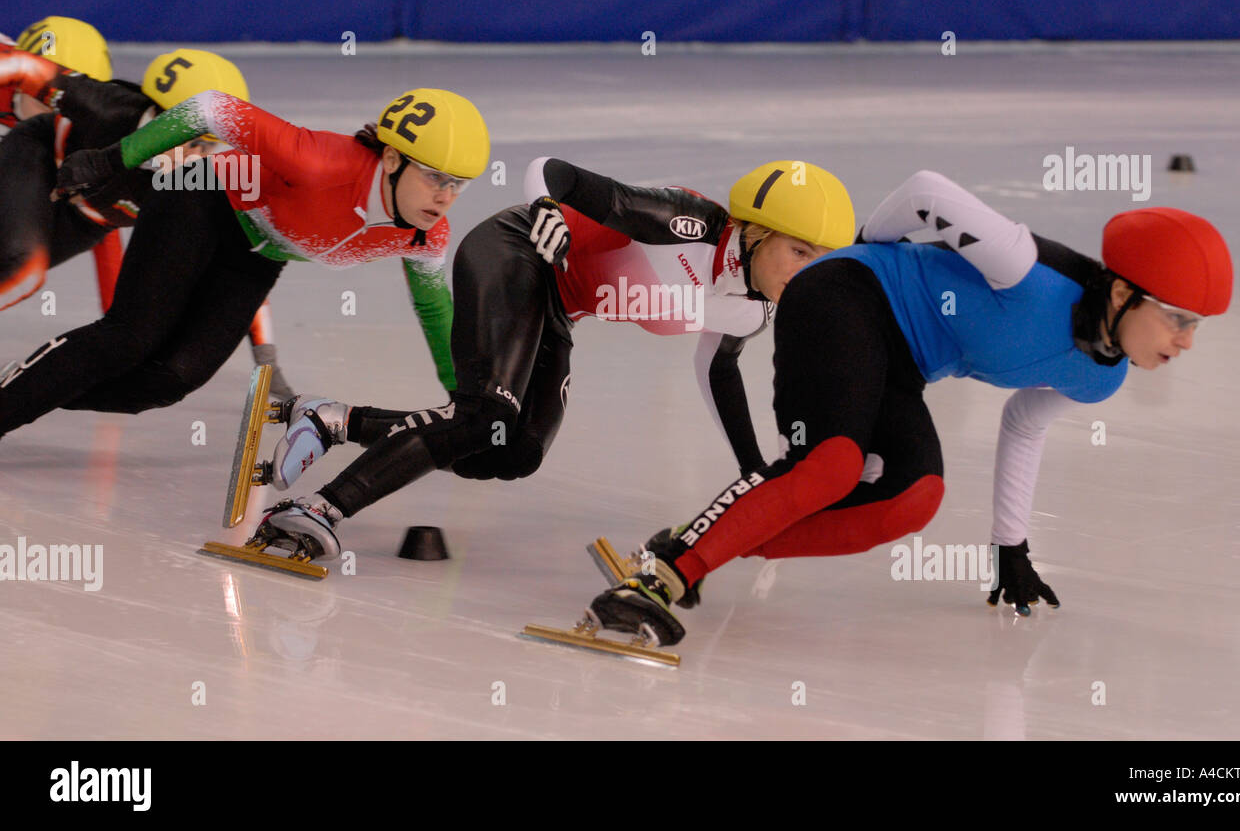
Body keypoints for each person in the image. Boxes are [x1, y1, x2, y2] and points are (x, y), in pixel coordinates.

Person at [586, 170, 1233, 646]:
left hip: (902, 361)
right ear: (1122, 292)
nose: (1186, 340)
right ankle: (660, 577)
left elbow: (1023, 425)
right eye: (1177, 318)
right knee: (831, 464)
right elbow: (925, 193)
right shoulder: (1024, 269)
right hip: (844, 294)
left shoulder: (1100, 378)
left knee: (912, 497)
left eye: (1197, 325)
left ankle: (697, 547)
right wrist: (870, 247)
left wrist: (1011, 547)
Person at [245, 157, 855, 562]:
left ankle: (333, 420)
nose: (810, 273)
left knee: (512, 453)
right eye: (799, 251)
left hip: (557, 309)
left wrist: (751, 468)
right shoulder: (688, 223)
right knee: (485, 415)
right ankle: (318, 507)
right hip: (514, 252)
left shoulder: (752, 310)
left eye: (822, 258)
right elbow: (554, 171)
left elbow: (717, 371)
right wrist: (542, 208)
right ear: (752, 232)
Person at [0, 86, 488, 437]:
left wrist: (463, 397)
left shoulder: (425, 237)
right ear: (390, 159)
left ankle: (25, 392)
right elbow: (211, 108)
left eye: (457, 184)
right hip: (202, 200)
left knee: (170, 381)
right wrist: (113, 159)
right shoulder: (320, 162)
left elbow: (434, 310)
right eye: (433, 177)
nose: (445, 196)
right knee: (129, 338)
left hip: (257, 253)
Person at [1, 30, 294, 392]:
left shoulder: (195, 182)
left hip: (85, 218)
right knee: (24, 268)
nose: (195, 155)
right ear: (157, 116)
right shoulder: (110, 108)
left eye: (210, 145)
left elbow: (237, 267)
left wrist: (268, 362)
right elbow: (24, 65)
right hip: (38, 158)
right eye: (190, 138)